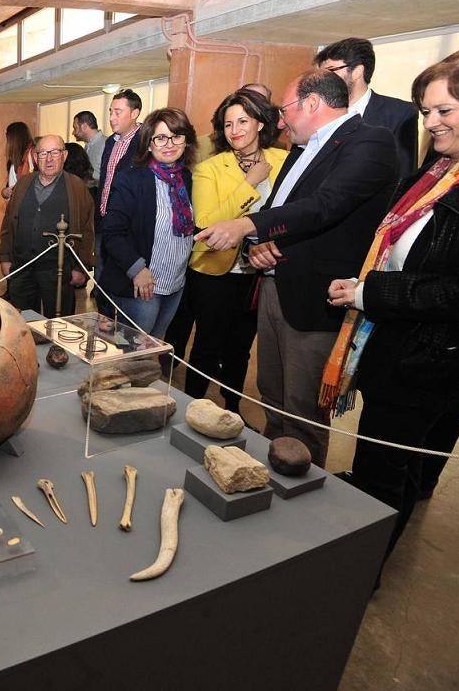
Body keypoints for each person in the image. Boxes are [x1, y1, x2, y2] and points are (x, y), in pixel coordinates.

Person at [324, 49, 459, 567]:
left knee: (383, 473)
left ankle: (359, 574)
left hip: (427, 359)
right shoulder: (445, 168)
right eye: (426, 111)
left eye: (445, 111)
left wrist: (373, 293)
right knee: (396, 463)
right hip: (401, 344)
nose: (431, 122)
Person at [196, 70, 398, 467]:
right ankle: (273, 471)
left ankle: (301, 495)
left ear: (312, 104)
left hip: (315, 296)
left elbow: (326, 205)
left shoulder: (369, 141)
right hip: (274, 286)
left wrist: (245, 227)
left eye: (285, 110)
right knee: (273, 393)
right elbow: (281, 211)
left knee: (303, 409)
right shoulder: (300, 149)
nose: (281, 121)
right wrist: (260, 244)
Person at [184, 90, 288, 413]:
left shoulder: (285, 161)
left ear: (259, 123)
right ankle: (192, 406)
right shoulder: (209, 168)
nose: (235, 130)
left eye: (243, 120)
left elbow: (293, 214)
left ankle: (232, 408)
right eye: (228, 124)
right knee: (206, 345)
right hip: (215, 273)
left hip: (260, 275)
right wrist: (250, 184)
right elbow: (207, 222)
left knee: (241, 348)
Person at [100, 108, 197, 340]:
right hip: (142, 284)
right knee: (133, 353)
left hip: (175, 282)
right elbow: (112, 232)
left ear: (186, 141)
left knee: (155, 344)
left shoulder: (185, 178)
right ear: (149, 144)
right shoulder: (132, 179)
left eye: (176, 136)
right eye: (160, 138)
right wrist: (138, 269)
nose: (169, 144)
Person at [0, 135, 94, 317]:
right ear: (35, 157)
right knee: (24, 324)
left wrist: (81, 267)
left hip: (58, 272)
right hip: (22, 268)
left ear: (64, 156)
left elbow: (87, 231)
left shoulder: (77, 189)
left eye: (55, 152)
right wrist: (4, 257)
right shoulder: (23, 184)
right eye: (43, 153)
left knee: (59, 325)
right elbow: (8, 223)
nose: (49, 158)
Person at [315, 38, 418, 178]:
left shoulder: (399, 113)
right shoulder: (315, 112)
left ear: (357, 71)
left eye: (331, 71)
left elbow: (404, 176)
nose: (324, 80)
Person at [72, 110, 106, 195]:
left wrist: (93, 182)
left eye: (75, 128)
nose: (73, 132)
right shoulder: (87, 146)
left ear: (84, 127)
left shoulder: (106, 144)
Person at [1, 121, 35, 201]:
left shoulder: (35, 155)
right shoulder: (12, 161)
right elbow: (10, 185)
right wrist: (4, 192)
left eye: (8, 139)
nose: (7, 143)